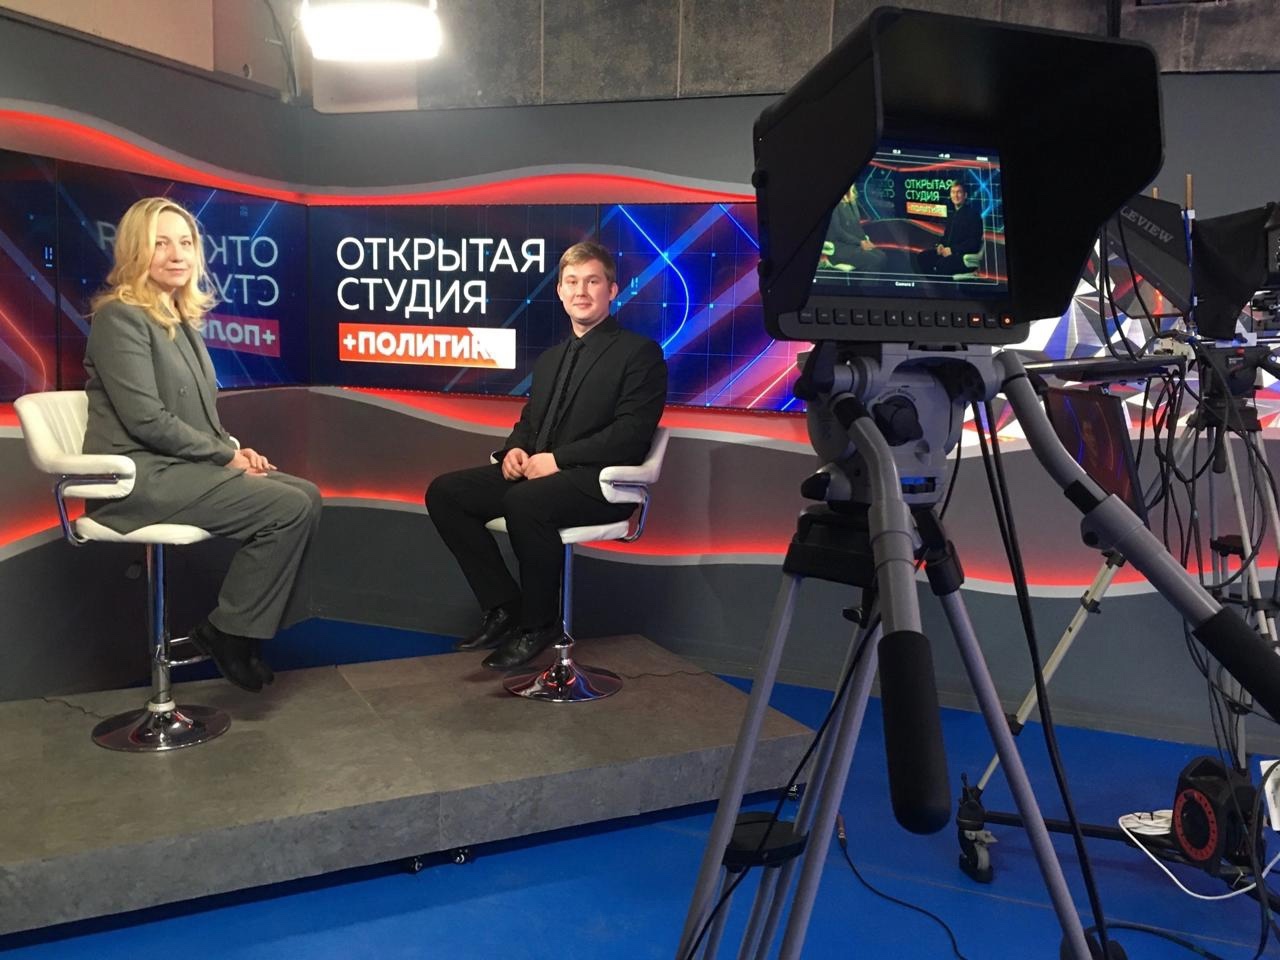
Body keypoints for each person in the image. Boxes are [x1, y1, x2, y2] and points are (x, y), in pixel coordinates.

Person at [82, 197, 322, 694]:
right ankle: (228, 632)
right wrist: (224, 457)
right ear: (134, 251)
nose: (177, 254)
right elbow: (147, 420)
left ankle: (244, 632)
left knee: (307, 495)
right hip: (139, 478)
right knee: (287, 508)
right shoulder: (120, 318)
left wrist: (233, 447)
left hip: (179, 468)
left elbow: (194, 414)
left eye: (185, 243)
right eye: (160, 244)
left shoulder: (177, 317)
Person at [426, 240, 668, 671]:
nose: (581, 291)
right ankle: (505, 607)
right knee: (446, 493)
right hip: (540, 477)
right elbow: (531, 421)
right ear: (559, 291)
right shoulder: (551, 359)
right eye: (571, 282)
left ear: (612, 290)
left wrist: (558, 461)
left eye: (592, 281)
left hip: (599, 483)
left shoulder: (639, 353)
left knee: (525, 501)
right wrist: (515, 449)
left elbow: (631, 436)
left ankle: (540, 625)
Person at [915, 180, 984, 275]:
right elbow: (946, 236)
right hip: (947, 253)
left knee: (941, 265)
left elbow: (973, 243)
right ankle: (934, 282)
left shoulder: (973, 215)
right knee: (922, 257)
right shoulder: (952, 215)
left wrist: (953, 250)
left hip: (961, 256)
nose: (956, 195)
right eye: (953, 192)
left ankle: (942, 282)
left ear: (965, 195)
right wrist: (940, 245)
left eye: (959, 192)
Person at [821, 184, 887, 273]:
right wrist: (860, 242)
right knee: (875, 260)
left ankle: (865, 281)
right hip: (840, 248)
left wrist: (865, 241)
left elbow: (857, 227)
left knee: (882, 256)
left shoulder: (852, 202)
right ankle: (865, 282)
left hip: (854, 244)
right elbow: (838, 232)